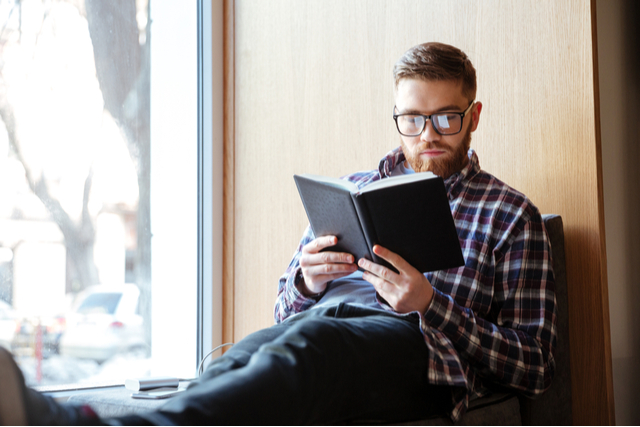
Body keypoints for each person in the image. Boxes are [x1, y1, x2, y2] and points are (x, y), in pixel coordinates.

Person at [0, 42, 557, 426]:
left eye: (446, 117)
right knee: (235, 360)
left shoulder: (511, 214)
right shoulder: (354, 190)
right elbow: (285, 311)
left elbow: (534, 365)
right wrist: (307, 283)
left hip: (422, 352)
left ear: (474, 114)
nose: (428, 134)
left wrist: (432, 305)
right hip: (325, 322)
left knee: (313, 350)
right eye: (412, 118)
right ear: (395, 115)